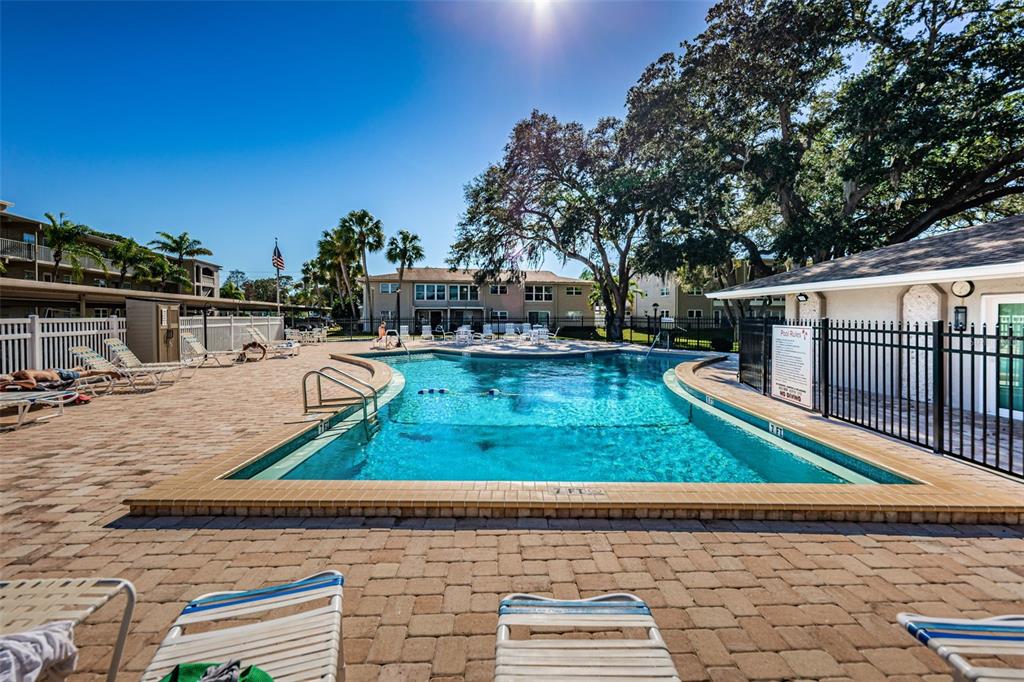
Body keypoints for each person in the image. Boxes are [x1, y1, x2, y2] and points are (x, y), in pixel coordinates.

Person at [0, 367, 118, 391]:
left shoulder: (23, 374)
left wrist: (11, 382)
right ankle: (75, 368)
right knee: (68, 371)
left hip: (60, 375)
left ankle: (108, 371)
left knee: (88, 373)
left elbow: (32, 383)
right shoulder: (16, 374)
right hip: (52, 372)